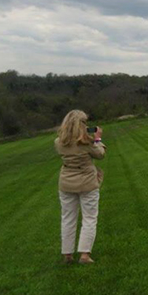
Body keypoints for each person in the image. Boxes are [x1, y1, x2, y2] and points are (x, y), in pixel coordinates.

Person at [54, 110, 106, 265]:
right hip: (87, 183)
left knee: (68, 218)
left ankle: (67, 254)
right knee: (89, 218)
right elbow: (100, 154)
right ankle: (84, 254)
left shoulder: (58, 142)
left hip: (66, 183)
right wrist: (98, 138)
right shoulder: (87, 142)